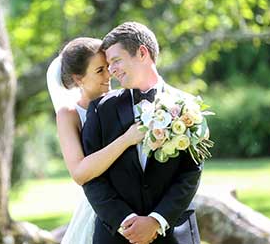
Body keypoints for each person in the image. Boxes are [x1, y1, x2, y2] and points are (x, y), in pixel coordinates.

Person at [81, 22, 202, 244]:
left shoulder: (188, 106)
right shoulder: (100, 109)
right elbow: (92, 178)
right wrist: (125, 220)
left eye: (116, 60)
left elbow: (191, 172)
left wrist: (157, 220)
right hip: (116, 235)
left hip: (173, 233)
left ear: (142, 53)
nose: (111, 70)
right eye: (108, 64)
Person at [46, 37, 146, 244]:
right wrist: (126, 139)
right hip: (101, 208)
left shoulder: (125, 100)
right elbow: (79, 172)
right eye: (100, 70)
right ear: (79, 79)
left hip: (141, 204)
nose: (109, 74)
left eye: (109, 67)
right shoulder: (70, 114)